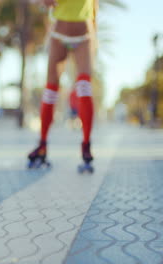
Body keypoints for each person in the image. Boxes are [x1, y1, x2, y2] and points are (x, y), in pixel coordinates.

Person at [28, 0, 96, 169]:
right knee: (51, 89)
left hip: (83, 36)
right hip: (61, 34)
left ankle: (86, 145)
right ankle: (43, 144)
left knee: (83, 87)